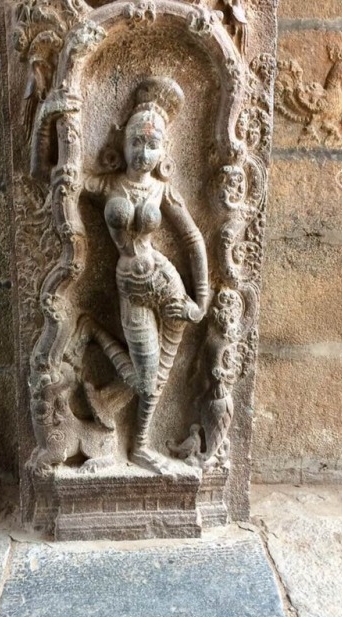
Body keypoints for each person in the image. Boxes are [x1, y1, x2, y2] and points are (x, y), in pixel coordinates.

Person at [83, 77, 209, 473]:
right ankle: (92, 332)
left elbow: (193, 241)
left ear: (163, 150)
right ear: (122, 144)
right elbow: (63, 179)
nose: (143, 151)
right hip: (131, 289)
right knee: (146, 376)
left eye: (152, 144)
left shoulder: (162, 192)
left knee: (159, 372)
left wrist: (201, 297)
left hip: (165, 282)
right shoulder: (108, 185)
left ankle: (138, 444)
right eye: (137, 142)